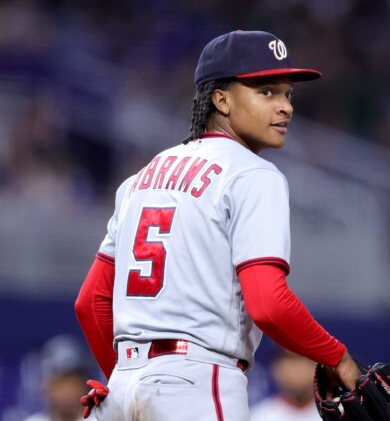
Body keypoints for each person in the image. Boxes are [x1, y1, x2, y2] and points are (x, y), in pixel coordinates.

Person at [74, 30, 360, 420]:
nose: (285, 107)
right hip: (197, 383)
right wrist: (337, 355)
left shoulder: (140, 178)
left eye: (287, 94)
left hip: (121, 389)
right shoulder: (254, 175)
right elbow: (269, 304)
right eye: (266, 92)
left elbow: (90, 303)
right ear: (220, 99)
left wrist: (127, 378)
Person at [23, 335, 92, 421]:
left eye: (72, 382)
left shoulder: (100, 419)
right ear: (46, 386)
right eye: (60, 383)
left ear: (84, 385)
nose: (67, 391)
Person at [249, 349, 318, 421]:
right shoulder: (259, 415)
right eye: (290, 360)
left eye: (300, 360)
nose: (296, 371)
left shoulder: (329, 412)